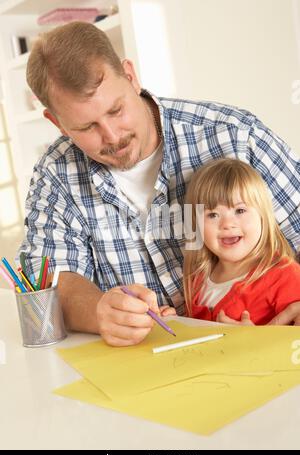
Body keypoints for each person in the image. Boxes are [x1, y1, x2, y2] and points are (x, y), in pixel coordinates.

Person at [18, 21, 300, 345]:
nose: (112, 136)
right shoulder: (55, 175)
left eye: (116, 109)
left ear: (131, 76)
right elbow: (52, 278)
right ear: (57, 123)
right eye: (86, 127)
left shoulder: (235, 136)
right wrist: (98, 311)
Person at [183, 159, 300, 325]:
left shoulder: (285, 275)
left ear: (262, 216)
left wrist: (254, 339)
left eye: (240, 210)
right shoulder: (198, 278)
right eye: (213, 215)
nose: (227, 224)